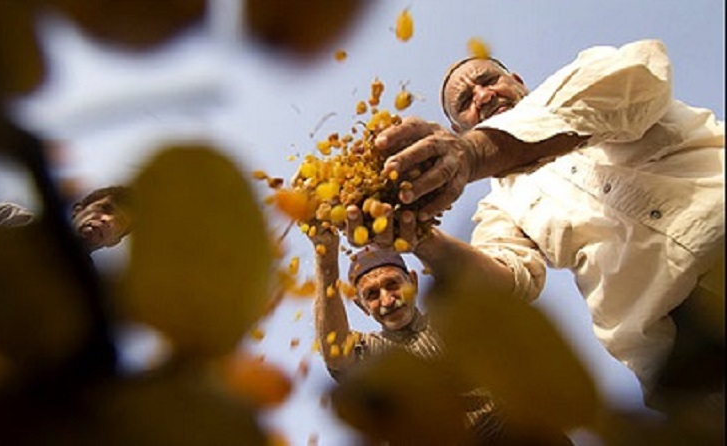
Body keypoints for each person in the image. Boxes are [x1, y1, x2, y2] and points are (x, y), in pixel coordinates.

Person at [351, 39, 724, 416]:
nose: (482, 95)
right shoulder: (501, 205)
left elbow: (638, 79)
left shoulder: (582, 84)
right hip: (685, 359)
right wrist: (419, 237)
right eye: (465, 101)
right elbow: (509, 281)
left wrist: (476, 152)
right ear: (456, 126)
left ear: (517, 80)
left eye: (488, 80)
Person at [308, 224, 572, 445]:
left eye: (393, 284)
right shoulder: (373, 356)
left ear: (413, 281)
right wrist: (326, 257)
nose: (387, 300)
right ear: (360, 306)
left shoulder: (454, 316)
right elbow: (336, 352)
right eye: (372, 295)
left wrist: (414, 229)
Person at [0, 185, 133, 283]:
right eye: (105, 208)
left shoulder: (83, 291)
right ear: (78, 209)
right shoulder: (11, 218)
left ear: (115, 242)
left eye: (120, 223)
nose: (107, 220)